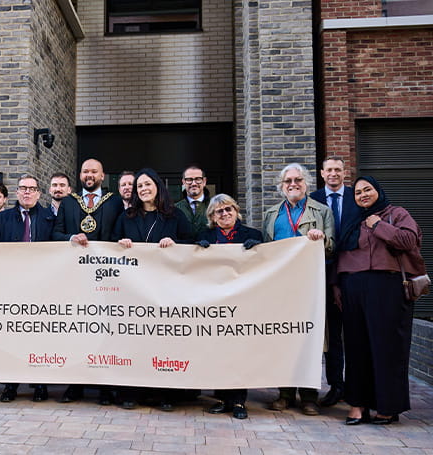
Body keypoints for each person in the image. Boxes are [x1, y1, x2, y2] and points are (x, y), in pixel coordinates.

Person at [337, 176, 423, 425]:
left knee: (386, 348)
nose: (363, 195)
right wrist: (335, 287)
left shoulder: (395, 214)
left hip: (387, 286)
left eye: (368, 190)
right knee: (355, 347)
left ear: (378, 191)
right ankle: (357, 405)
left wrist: (378, 226)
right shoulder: (351, 220)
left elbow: (409, 240)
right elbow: (341, 253)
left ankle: (387, 406)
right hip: (352, 286)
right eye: (358, 193)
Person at [114, 168, 193, 412]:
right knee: (133, 342)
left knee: (164, 343)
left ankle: (166, 393)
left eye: (148, 184)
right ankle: (131, 392)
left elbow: (192, 244)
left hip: (165, 292)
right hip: (133, 291)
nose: (143, 189)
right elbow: (110, 244)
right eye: (139, 186)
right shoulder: (126, 217)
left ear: (158, 186)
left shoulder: (175, 216)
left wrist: (176, 244)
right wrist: (121, 244)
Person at [262, 162, 334, 416]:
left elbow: (332, 245)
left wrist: (321, 239)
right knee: (283, 338)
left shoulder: (321, 211)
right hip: (281, 286)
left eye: (298, 180)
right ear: (281, 187)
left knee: (309, 339)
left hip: (309, 285)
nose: (293, 185)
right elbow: (266, 250)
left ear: (306, 184)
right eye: (288, 181)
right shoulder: (272, 214)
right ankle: (284, 393)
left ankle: (309, 397)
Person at [52, 158, 123, 404]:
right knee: (77, 330)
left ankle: (104, 386)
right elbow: (55, 233)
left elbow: (120, 233)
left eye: (94, 171)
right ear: (80, 175)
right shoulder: (69, 202)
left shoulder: (114, 201)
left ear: (103, 176)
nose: (89, 175)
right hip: (75, 276)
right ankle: (76, 384)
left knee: (104, 330)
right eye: (85, 171)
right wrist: (71, 237)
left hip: (105, 277)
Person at [0, 174, 56, 402]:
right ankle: (10, 385)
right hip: (12, 286)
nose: (27, 192)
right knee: (13, 336)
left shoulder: (50, 218)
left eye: (32, 188)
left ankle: (40, 384)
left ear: (39, 193)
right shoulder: (3, 219)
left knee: (41, 336)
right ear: (17, 192)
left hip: (42, 286)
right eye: (23, 188)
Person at [197, 194, 263, 420]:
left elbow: (264, 263)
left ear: (236, 211)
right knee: (217, 351)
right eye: (219, 212)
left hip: (242, 300)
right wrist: (197, 250)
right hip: (215, 301)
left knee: (238, 351)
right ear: (212, 217)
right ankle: (221, 399)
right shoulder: (204, 237)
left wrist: (258, 249)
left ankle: (239, 401)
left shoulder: (253, 235)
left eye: (228, 210)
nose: (224, 214)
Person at [309, 156, 361, 407]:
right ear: (321, 173)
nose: (333, 174)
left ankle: (355, 387)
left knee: (354, 334)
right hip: (325, 276)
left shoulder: (357, 198)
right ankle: (335, 386)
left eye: (338, 170)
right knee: (332, 336)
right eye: (329, 170)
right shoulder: (314, 200)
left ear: (344, 172)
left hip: (352, 273)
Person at [175, 165, 209, 239]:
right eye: (189, 179)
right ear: (183, 182)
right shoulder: (174, 209)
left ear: (204, 181)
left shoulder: (215, 207)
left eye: (198, 179)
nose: (193, 183)